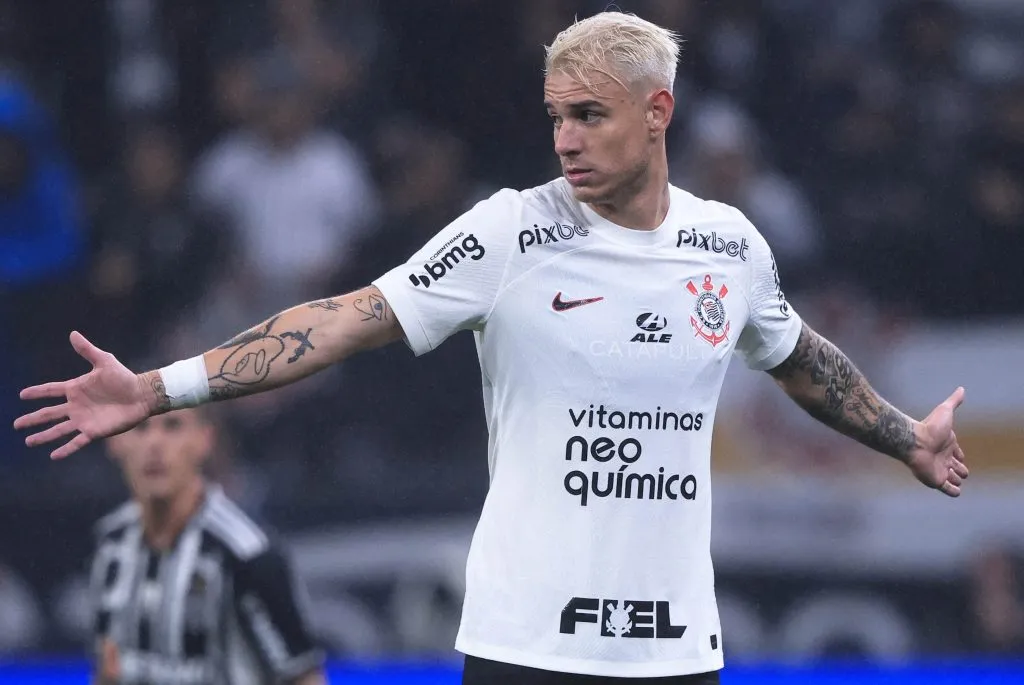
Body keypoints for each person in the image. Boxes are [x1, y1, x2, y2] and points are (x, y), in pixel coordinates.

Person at [15, 11, 969, 685]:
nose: (565, 140)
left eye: (589, 116)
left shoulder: (730, 246)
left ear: (658, 112)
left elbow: (803, 360)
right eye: (556, 116)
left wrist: (907, 438)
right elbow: (347, 317)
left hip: (675, 647)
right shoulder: (513, 232)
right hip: (525, 644)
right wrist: (162, 387)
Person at [86, 406, 326, 685]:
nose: (154, 444)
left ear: (204, 440)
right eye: (139, 428)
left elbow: (302, 676)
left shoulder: (246, 554)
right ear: (114, 441)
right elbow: (109, 666)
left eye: (173, 426)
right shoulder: (110, 543)